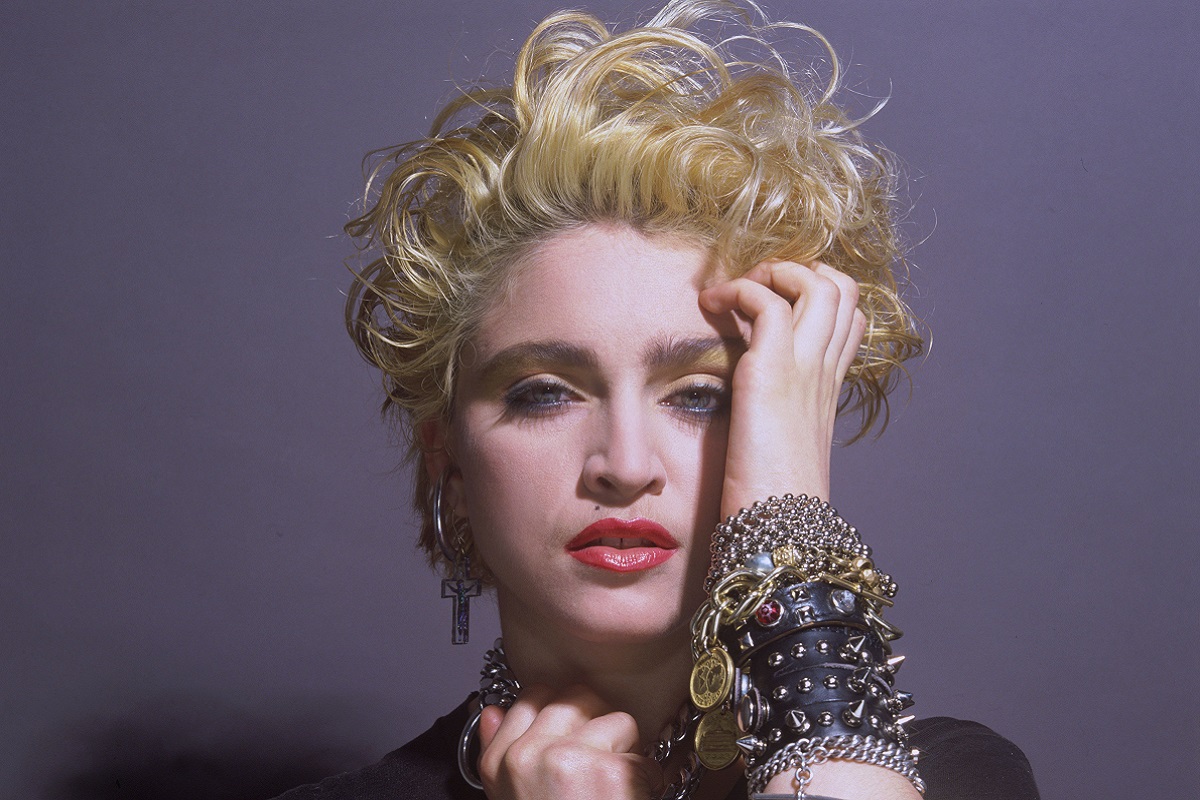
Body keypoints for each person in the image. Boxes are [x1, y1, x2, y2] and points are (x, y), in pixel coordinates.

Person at [275, 2, 1039, 798]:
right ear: (450, 466)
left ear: (782, 435)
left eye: (700, 397)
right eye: (545, 394)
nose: (626, 465)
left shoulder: (948, 776)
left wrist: (785, 527)